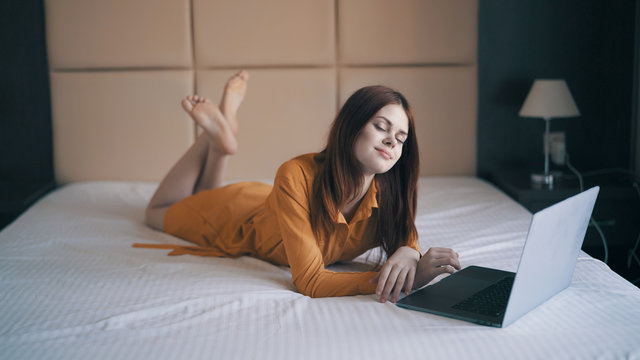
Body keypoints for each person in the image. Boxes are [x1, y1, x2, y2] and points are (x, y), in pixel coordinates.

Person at [138, 70, 461, 303]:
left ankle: (220, 144)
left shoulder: (388, 197)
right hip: (236, 218)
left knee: (202, 193)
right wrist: (407, 281)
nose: (392, 140)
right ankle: (214, 140)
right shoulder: (295, 173)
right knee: (156, 211)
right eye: (381, 127)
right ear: (350, 127)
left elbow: (406, 235)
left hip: (272, 204)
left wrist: (409, 251)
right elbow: (310, 280)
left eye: (401, 138)